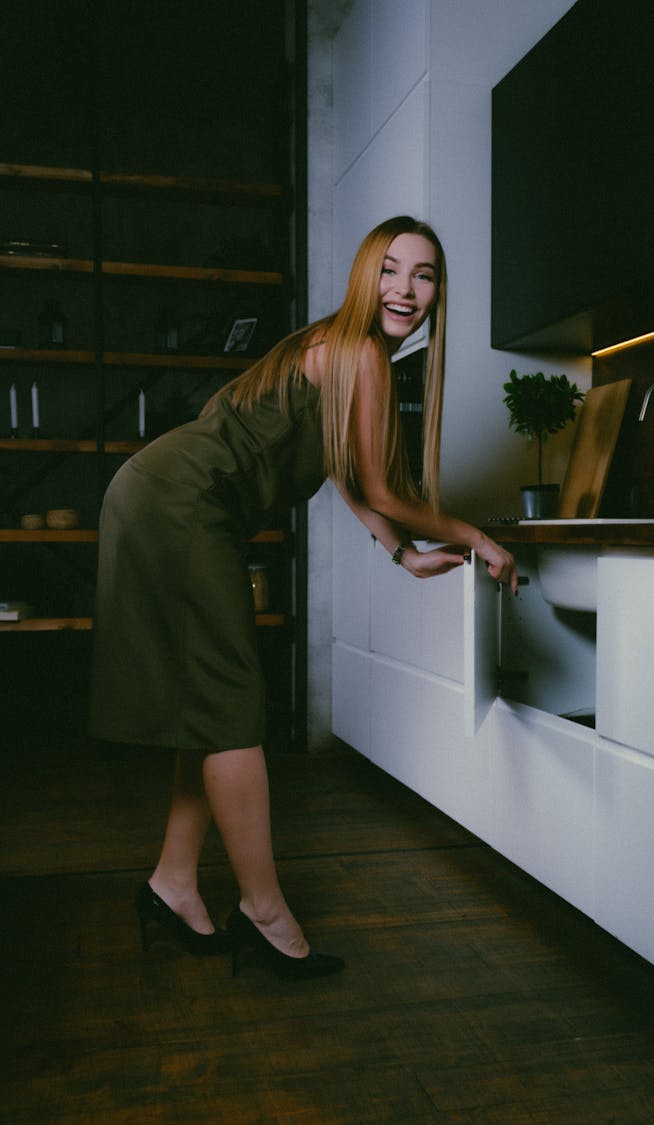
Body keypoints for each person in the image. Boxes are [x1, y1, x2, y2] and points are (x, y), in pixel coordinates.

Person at [88, 215, 517, 981]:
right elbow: (383, 484)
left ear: (437, 294)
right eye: (391, 269)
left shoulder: (345, 347)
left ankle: (174, 883)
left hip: (163, 493)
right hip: (184, 504)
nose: (406, 290)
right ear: (365, 275)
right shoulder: (359, 350)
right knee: (232, 705)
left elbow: (345, 471)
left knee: (206, 701)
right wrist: (476, 536)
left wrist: (399, 550)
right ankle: (263, 910)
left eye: (424, 276)